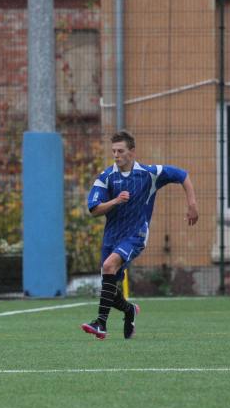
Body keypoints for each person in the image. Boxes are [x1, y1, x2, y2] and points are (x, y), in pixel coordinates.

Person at [81, 130, 199, 340]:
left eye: (120, 151)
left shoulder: (149, 173)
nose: (116, 155)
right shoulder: (106, 177)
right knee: (110, 286)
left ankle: (101, 324)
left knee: (108, 267)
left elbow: (182, 175)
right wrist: (115, 201)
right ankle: (129, 310)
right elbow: (94, 209)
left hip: (136, 234)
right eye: (113, 151)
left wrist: (192, 204)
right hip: (112, 236)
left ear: (132, 152)